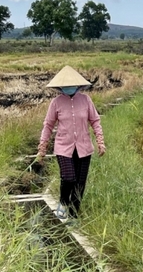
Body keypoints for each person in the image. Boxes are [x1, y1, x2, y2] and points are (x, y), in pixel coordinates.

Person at [37, 65, 106, 220]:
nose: (68, 88)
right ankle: (62, 202)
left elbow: (95, 121)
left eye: (71, 85)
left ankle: (73, 216)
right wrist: (42, 147)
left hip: (84, 147)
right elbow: (48, 125)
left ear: (77, 85)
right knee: (68, 178)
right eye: (65, 86)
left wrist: (101, 141)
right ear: (60, 87)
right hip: (63, 147)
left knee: (79, 185)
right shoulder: (56, 103)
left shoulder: (86, 100)